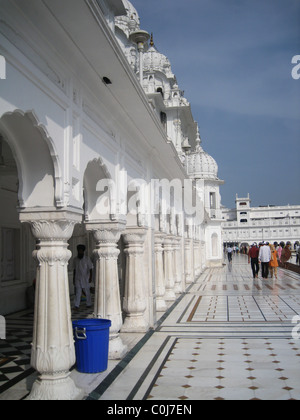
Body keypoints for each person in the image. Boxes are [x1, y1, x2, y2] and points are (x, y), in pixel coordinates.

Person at [73, 244, 93, 310]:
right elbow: (74, 269)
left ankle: (89, 303)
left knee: (87, 291)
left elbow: (90, 268)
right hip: (77, 278)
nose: (80, 252)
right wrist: (73, 278)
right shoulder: (75, 260)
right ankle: (76, 305)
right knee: (78, 292)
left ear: (83, 251)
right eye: (79, 251)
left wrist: (90, 277)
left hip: (85, 278)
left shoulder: (87, 259)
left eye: (81, 251)